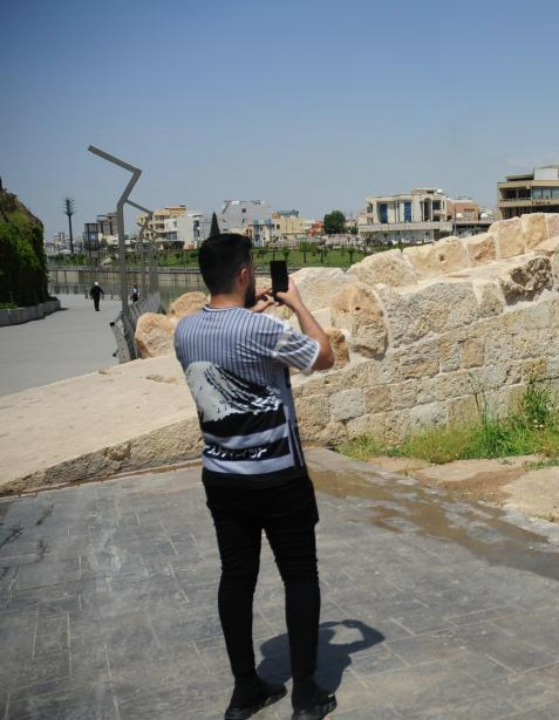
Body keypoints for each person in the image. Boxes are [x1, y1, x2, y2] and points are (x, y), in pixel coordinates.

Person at [174, 233, 337, 720]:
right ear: (244, 274)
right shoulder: (259, 331)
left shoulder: (184, 332)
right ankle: (306, 693)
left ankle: (246, 688)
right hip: (278, 478)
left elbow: (227, 338)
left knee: (236, 578)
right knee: (300, 577)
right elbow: (322, 355)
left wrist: (250, 314)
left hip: (222, 478)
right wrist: (299, 305)